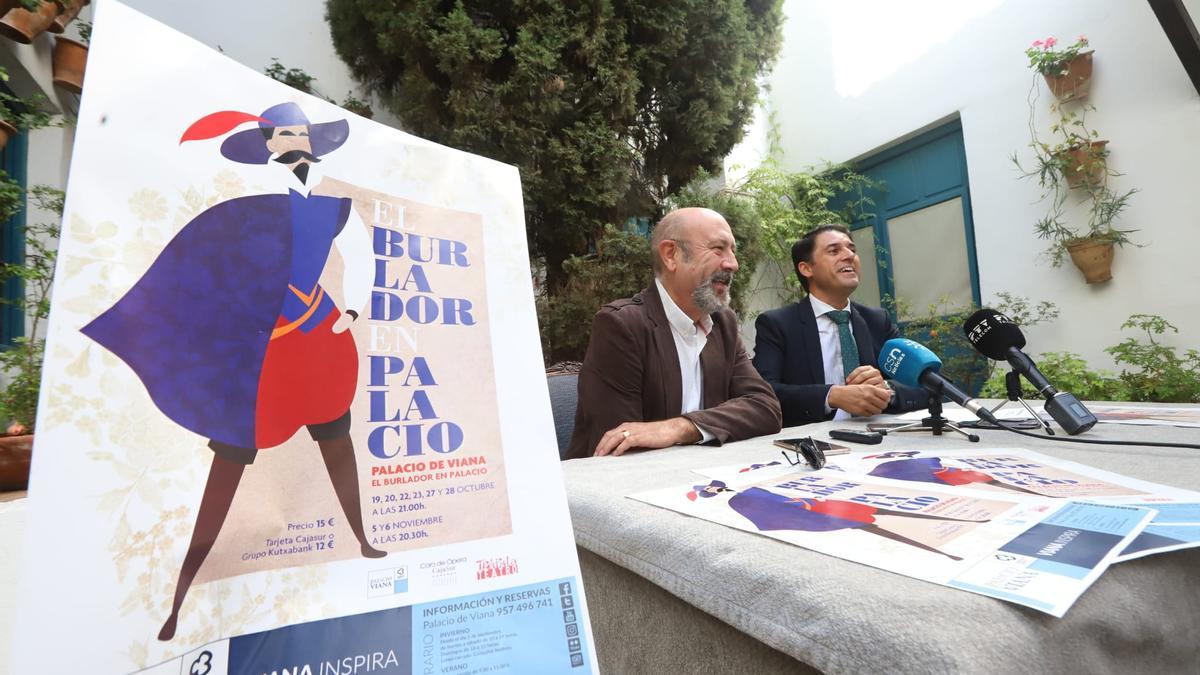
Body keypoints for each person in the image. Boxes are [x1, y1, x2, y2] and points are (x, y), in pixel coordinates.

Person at [82, 102, 384, 641]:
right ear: (267, 144)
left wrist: (354, 311)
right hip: (255, 346)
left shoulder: (337, 206)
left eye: (300, 132)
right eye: (280, 134)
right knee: (232, 454)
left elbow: (361, 257)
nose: (292, 141)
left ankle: (362, 537)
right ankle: (181, 597)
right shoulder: (241, 202)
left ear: (314, 140)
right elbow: (210, 264)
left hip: (319, 337)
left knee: (337, 437)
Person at [565, 208, 782, 459]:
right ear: (671, 255)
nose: (733, 263)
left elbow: (766, 408)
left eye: (733, 250)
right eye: (718, 249)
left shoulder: (723, 323)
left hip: (701, 478)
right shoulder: (621, 325)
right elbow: (619, 444)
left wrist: (681, 427)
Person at [752, 224, 926, 427]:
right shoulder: (778, 325)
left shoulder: (878, 321)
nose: (849, 255)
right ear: (806, 268)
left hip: (878, 441)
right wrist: (831, 396)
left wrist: (887, 390)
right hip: (813, 447)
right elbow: (763, 393)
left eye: (852, 249)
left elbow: (926, 386)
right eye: (834, 251)